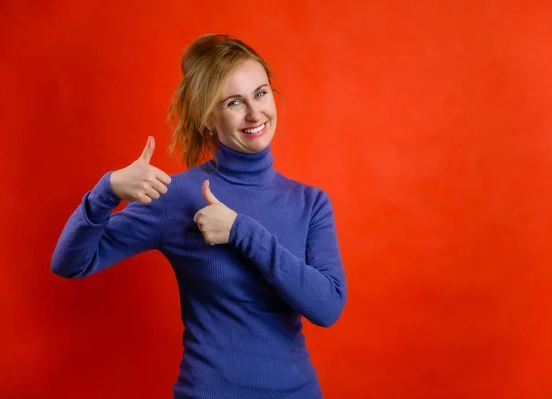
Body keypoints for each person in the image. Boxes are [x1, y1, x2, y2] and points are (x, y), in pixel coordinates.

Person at [51, 33, 347, 399]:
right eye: (235, 102)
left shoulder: (310, 203)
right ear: (208, 118)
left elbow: (327, 307)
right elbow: (69, 264)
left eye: (260, 93)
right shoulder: (176, 197)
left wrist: (241, 231)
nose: (255, 114)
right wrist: (106, 191)